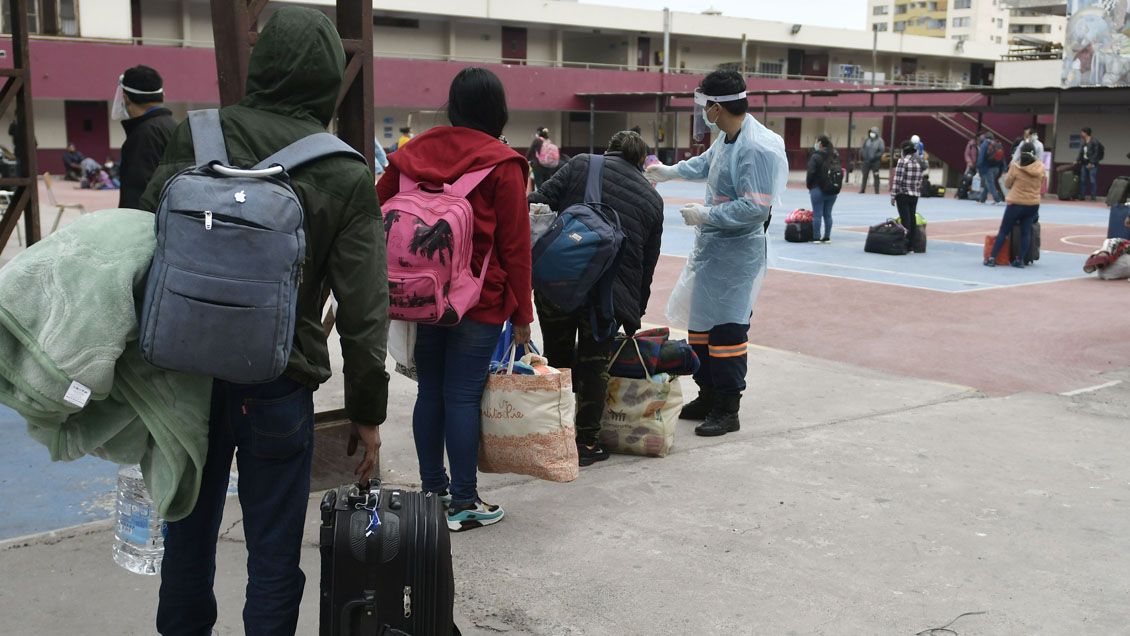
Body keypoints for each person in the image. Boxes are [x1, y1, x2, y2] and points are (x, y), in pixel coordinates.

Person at [137, 8, 389, 634]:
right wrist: (368, 410)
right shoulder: (345, 171)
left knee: (187, 539)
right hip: (278, 382)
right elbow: (363, 309)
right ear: (331, 76)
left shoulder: (197, 136)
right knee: (274, 551)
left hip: (186, 374)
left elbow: (143, 248)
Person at [377, 67, 532, 532]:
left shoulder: (409, 155)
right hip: (479, 302)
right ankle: (464, 500)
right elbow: (515, 248)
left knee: (431, 392)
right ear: (498, 110)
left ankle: (432, 491)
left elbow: (376, 209)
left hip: (422, 298)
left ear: (453, 106)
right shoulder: (503, 165)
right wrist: (523, 313)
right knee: (463, 396)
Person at [644, 69, 788, 437]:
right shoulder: (727, 138)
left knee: (727, 334)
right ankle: (707, 394)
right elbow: (706, 163)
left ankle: (728, 407)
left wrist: (707, 214)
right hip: (713, 251)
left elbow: (756, 207)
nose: (704, 111)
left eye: (706, 104)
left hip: (738, 257)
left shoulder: (757, 147)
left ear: (717, 107)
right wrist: (669, 171)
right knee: (701, 331)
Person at [528, 130, 664, 466]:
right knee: (593, 366)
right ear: (640, 162)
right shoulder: (652, 198)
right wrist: (634, 313)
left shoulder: (582, 164)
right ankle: (586, 444)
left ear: (609, 150)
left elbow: (536, 203)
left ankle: (551, 436)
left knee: (556, 359)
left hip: (558, 281)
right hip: (606, 296)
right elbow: (647, 265)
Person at [115, 65, 177, 209]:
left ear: (125, 98)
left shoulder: (142, 135)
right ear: (163, 96)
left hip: (151, 225)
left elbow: (135, 197)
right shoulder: (176, 126)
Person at [985, 142, 1046, 268]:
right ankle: (1020, 260)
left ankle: (992, 258)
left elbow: (1007, 184)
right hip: (1033, 203)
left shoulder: (1016, 167)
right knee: (1026, 232)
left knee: (1004, 230)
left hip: (1016, 203)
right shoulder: (1040, 167)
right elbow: (1041, 183)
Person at [891, 139, 923, 253]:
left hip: (903, 194)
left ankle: (905, 243)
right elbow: (920, 180)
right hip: (914, 195)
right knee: (912, 219)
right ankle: (911, 245)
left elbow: (897, 180)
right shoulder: (917, 163)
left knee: (905, 220)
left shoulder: (902, 161)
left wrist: (893, 195)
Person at [807, 135, 839, 243]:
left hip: (818, 189)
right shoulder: (834, 155)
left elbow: (811, 172)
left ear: (820, 143)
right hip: (832, 189)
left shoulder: (816, 156)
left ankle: (816, 237)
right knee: (828, 214)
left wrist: (809, 185)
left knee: (817, 214)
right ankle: (827, 237)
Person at [1076, 127, 1103, 201]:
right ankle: (1082, 196)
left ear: (1086, 133)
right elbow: (1081, 152)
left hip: (1092, 164)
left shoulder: (1094, 141)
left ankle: (1093, 196)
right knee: (1083, 180)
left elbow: (1096, 153)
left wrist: (1092, 162)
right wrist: (1077, 160)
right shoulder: (1083, 142)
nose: (1081, 134)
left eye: (1082, 132)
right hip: (1084, 163)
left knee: (1092, 180)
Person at [976, 132, 1004, 205]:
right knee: (988, 183)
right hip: (997, 167)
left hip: (988, 167)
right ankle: (982, 199)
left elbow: (981, 157)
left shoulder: (985, 145)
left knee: (990, 184)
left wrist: (978, 166)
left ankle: (997, 199)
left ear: (985, 138)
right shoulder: (997, 144)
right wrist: (1004, 168)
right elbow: (1003, 158)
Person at [859, 126, 884, 194]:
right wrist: (864, 155)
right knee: (865, 175)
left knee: (876, 176)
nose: (872, 133)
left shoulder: (880, 141)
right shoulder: (867, 140)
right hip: (866, 161)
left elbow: (881, 150)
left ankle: (877, 190)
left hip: (875, 162)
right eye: (871, 132)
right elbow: (863, 148)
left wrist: (875, 157)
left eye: (873, 132)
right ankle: (862, 189)